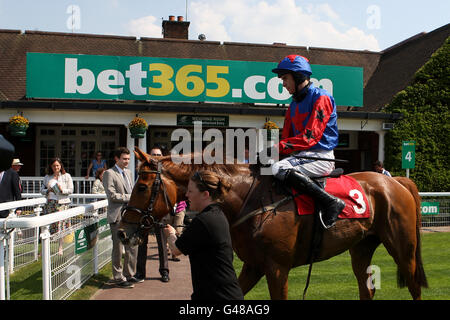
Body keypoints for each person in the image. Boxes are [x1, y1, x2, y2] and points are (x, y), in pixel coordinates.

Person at [270, 54, 345, 229]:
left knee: (278, 168)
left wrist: (275, 148)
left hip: (320, 156)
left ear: (298, 77)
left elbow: (310, 138)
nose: (283, 83)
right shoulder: (293, 105)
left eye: (285, 78)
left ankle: (332, 202)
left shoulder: (322, 98)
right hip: (303, 157)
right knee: (267, 168)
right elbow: (286, 140)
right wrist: (269, 153)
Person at [164, 170, 244, 300]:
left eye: (190, 191)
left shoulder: (203, 221)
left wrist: (171, 233)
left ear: (205, 194)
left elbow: (176, 249)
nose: (186, 195)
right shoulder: (217, 214)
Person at [102, 147, 139, 288]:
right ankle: (118, 277)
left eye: (128, 159)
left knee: (133, 245)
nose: (127, 161)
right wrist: (130, 197)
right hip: (117, 215)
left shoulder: (129, 172)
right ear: (116, 159)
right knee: (118, 247)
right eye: (124, 159)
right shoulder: (109, 173)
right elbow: (111, 195)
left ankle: (129, 274)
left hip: (130, 214)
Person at [135, 146, 170, 283]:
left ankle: (164, 272)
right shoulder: (145, 170)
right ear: (150, 155)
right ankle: (140, 272)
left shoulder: (166, 172)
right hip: (144, 212)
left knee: (162, 243)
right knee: (142, 243)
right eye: (154, 154)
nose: (156, 156)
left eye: (159, 155)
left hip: (159, 212)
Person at [40, 158, 74, 254]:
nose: (56, 167)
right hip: (50, 203)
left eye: (58, 165)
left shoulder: (66, 176)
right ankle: (46, 248)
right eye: (54, 165)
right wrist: (48, 190)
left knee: (61, 225)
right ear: (51, 166)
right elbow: (41, 190)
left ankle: (60, 247)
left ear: (61, 166)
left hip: (62, 203)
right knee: (49, 225)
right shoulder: (47, 177)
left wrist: (62, 190)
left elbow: (71, 190)